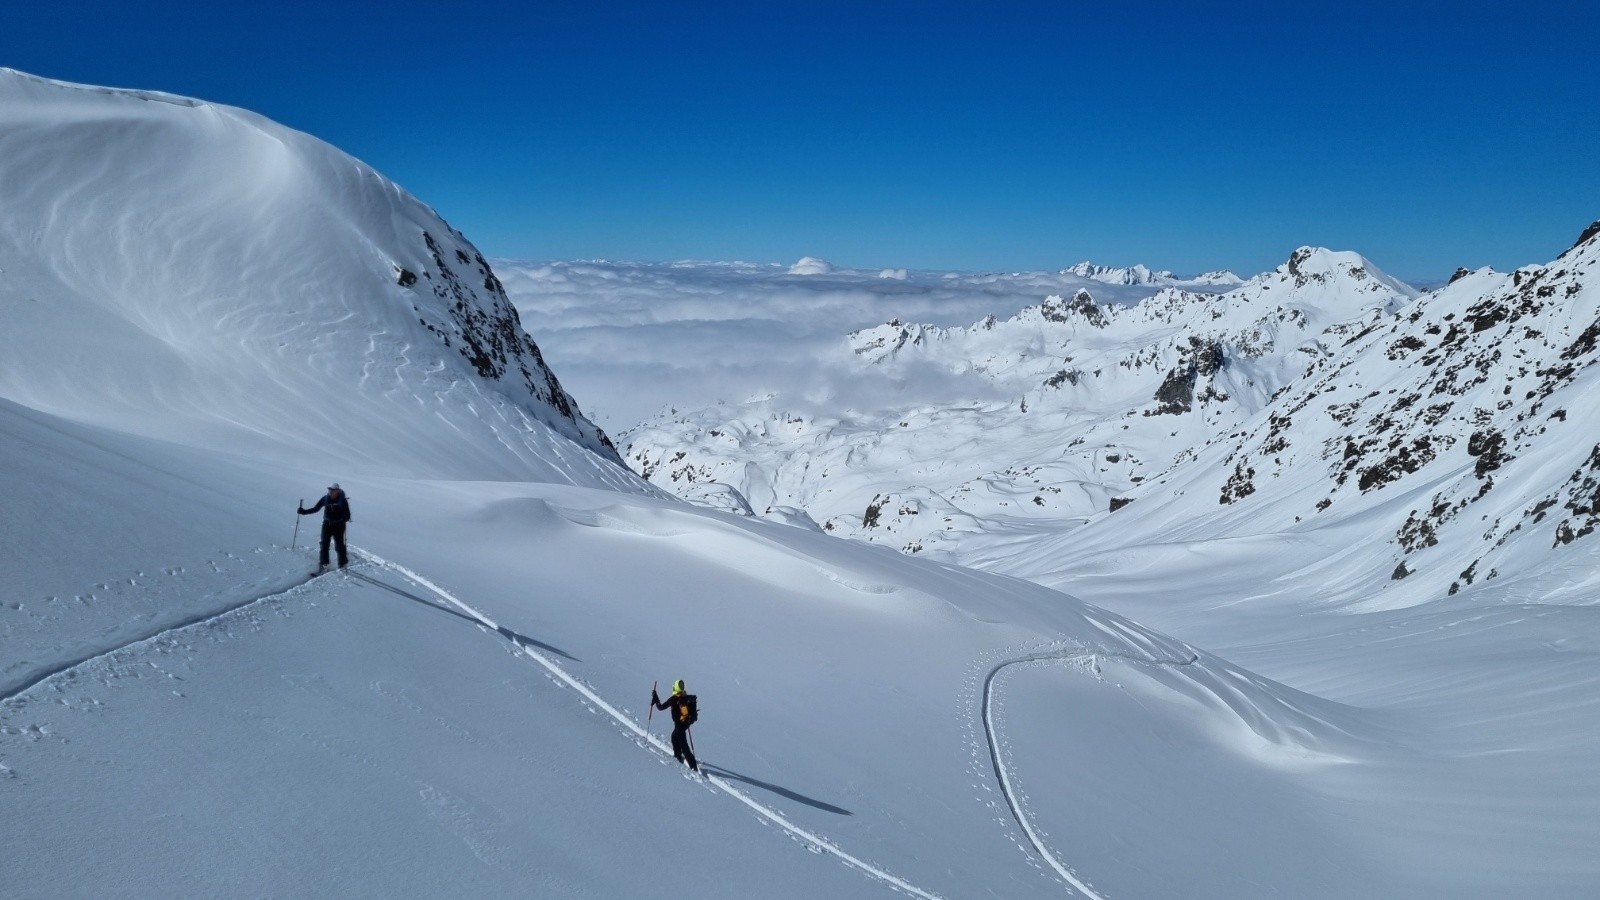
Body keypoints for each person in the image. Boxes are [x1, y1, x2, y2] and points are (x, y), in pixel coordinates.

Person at [298, 483, 352, 573]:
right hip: (327, 524)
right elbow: (316, 508)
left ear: (337, 491)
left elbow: (348, 515)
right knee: (324, 544)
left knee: (339, 545)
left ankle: (343, 563)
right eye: (329, 489)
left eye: (332, 490)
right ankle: (324, 564)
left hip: (339, 526)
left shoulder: (343, 501)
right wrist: (303, 512)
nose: (330, 491)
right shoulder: (325, 498)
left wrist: (344, 519)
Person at [652, 679, 699, 772]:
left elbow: (660, 707)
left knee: (683, 744)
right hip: (687, 723)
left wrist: (655, 698)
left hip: (679, 724)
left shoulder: (673, 699)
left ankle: (693, 765)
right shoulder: (686, 696)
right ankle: (678, 754)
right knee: (674, 737)